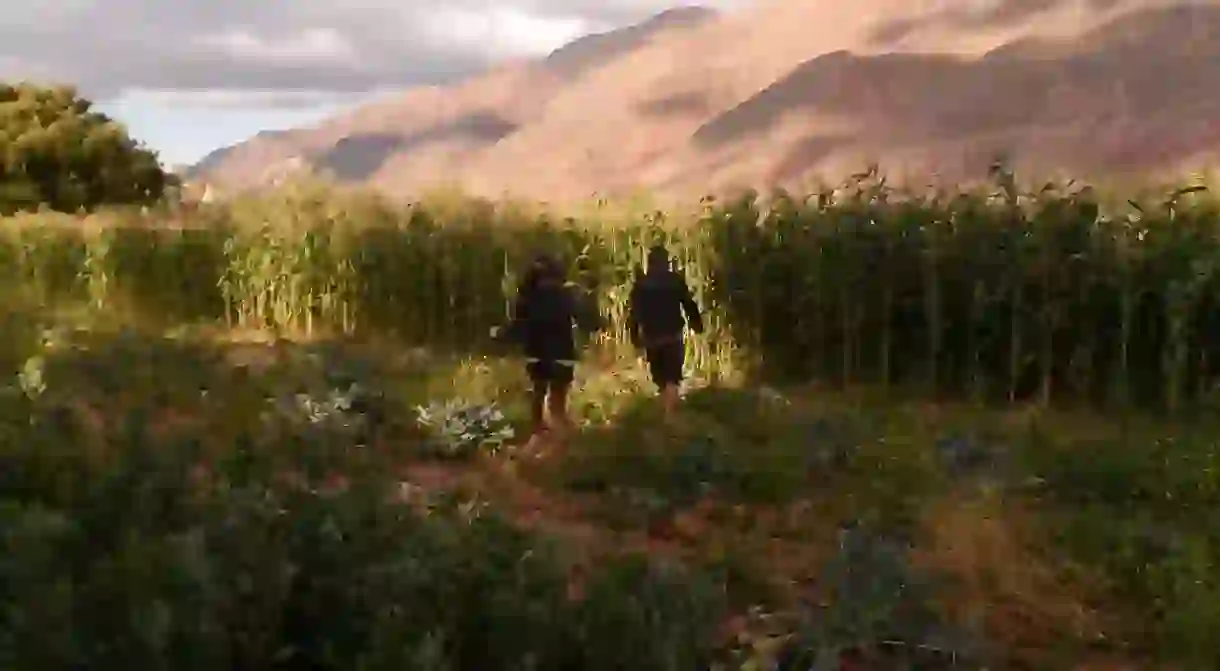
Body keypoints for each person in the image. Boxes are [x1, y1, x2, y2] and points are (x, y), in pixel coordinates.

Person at [495, 253, 601, 444]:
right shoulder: (565, 295)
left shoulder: (527, 298)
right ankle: (560, 441)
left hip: (537, 355)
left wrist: (501, 336)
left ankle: (539, 435)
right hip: (562, 353)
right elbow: (584, 318)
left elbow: (519, 326)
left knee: (539, 392)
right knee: (558, 399)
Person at [627, 244, 704, 417]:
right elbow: (689, 304)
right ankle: (670, 416)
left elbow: (634, 314)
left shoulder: (641, 284)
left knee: (661, 379)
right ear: (666, 262)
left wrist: (634, 337)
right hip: (672, 337)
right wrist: (696, 324)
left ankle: (666, 414)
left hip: (652, 338)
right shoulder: (675, 280)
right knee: (673, 377)